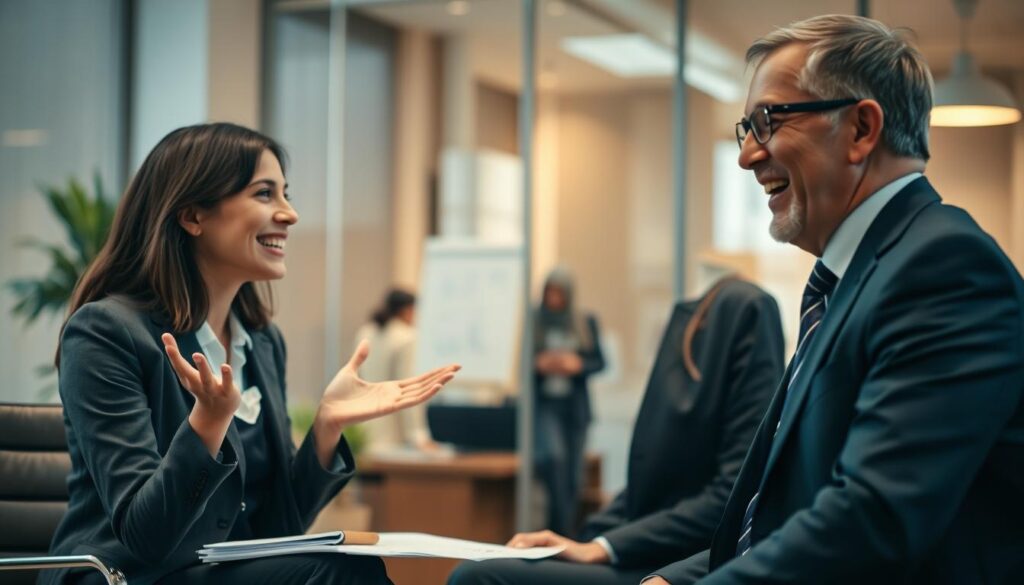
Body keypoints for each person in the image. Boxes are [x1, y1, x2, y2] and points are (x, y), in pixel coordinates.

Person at [647, 15, 1024, 585]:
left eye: (767, 122)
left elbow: (872, 519)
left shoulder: (944, 267)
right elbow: (784, 516)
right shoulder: (852, 280)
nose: (747, 155)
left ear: (860, 130)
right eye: (745, 129)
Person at [40, 123, 459, 585]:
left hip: (217, 574)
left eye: (286, 194)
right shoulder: (105, 332)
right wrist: (207, 425)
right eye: (264, 194)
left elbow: (277, 530)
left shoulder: (261, 341)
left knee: (344, 568)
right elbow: (147, 536)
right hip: (127, 575)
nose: (290, 214)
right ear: (192, 216)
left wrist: (326, 428)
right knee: (337, 575)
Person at [447, 277, 785, 585]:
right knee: (481, 570)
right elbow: (648, 486)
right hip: (646, 545)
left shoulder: (747, 310)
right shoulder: (540, 322)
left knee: (478, 578)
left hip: (677, 562)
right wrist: (589, 540)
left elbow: (731, 497)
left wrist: (602, 546)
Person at [531, 267, 605, 537]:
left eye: (559, 293)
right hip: (546, 406)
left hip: (575, 408)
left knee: (574, 475)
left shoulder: (584, 321)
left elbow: (599, 362)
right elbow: (521, 361)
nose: (554, 299)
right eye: (550, 292)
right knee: (554, 460)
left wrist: (577, 364)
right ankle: (555, 529)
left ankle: (567, 534)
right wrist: (539, 364)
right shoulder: (534, 322)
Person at [353, 288, 438, 453]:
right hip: (391, 433)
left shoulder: (365, 332)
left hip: (364, 428)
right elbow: (409, 389)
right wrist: (420, 436)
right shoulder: (407, 337)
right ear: (408, 310)